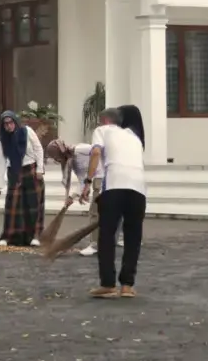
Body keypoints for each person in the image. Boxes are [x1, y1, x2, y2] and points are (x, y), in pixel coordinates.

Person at [85, 105, 147, 299]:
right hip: (139, 189)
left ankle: (108, 284)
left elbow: (95, 153)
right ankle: (127, 285)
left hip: (114, 187)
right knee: (132, 238)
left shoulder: (102, 131)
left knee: (107, 236)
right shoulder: (135, 138)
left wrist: (87, 181)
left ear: (106, 120)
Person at [46, 138, 112, 256]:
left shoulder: (81, 149)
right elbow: (83, 179)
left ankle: (95, 245)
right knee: (102, 211)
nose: (57, 160)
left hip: (103, 178)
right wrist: (73, 196)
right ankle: (116, 238)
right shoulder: (72, 161)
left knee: (95, 212)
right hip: (95, 180)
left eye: (57, 156)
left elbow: (98, 151)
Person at [0, 110, 46, 247]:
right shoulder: (2, 140)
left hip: (31, 169)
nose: (9, 126)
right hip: (14, 172)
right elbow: (0, 162)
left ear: (15, 122)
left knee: (33, 203)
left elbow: (38, 149)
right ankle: (9, 236)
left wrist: (40, 169)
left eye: (10, 123)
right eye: (5, 124)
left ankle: (35, 235)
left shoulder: (27, 131)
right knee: (13, 205)